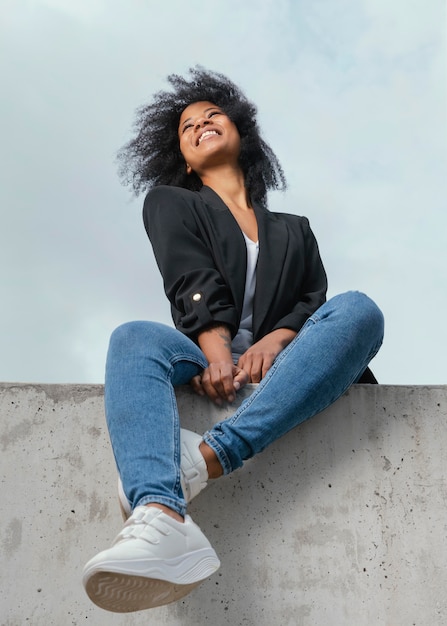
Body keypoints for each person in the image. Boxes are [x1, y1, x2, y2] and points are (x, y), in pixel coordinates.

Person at [82, 67, 384, 613]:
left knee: (360, 310)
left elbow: (314, 299)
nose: (200, 124)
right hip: (202, 349)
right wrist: (216, 345)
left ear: (242, 130)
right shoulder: (171, 201)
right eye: (186, 126)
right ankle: (159, 513)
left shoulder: (295, 227)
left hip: (287, 359)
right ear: (178, 152)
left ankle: (202, 460)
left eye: (212, 116)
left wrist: (278, 338)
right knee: (133, 338)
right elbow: (187, 275)